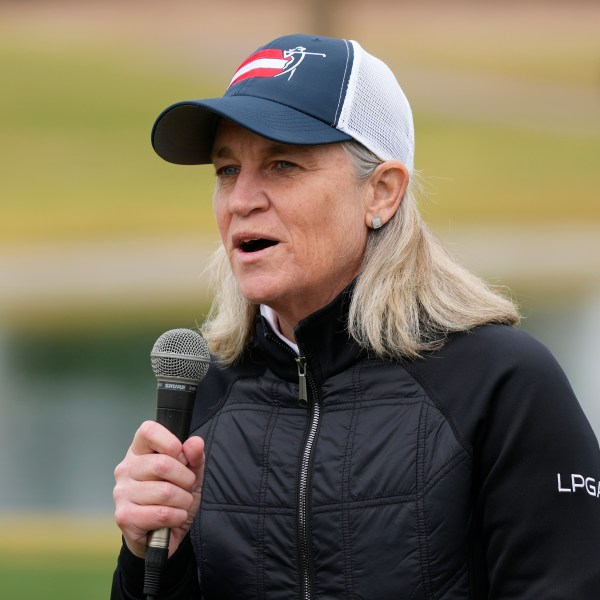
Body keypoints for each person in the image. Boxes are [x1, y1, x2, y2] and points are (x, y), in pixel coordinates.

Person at [111, 34, 600, 599]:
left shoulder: (501, 384)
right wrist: (149, 559)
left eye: (283, 164)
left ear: (382, 193)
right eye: (226, 170)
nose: (242, 198)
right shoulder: (207, 397)